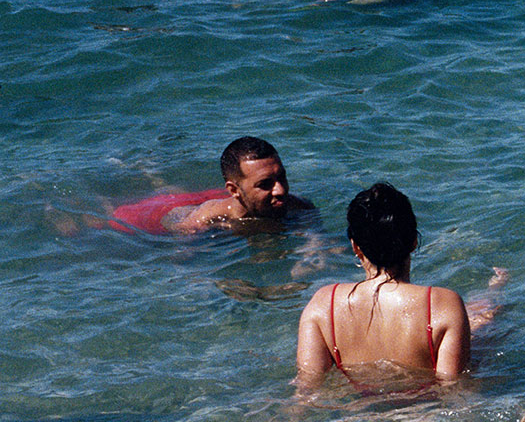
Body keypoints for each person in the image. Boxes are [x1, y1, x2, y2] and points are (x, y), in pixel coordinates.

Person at [295, 182, 489, 389]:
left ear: (355, 246)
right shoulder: (444, 304)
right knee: (486, 322)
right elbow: (452, 389)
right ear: (414, 240)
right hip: (423, 415)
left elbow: (308, 387)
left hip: (360, 414)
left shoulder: (323, 304)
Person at [109, 134, 316, 236]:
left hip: (218, 199)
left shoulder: (299, 206)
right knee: (112, 216)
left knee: (174, 191)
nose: (281, 190)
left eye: (282, 177)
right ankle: (141, 169)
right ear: (234, 190)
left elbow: (320, 243)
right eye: (266, 184)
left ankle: (150, 170)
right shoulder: (205, 221)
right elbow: (182, 262)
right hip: (161, 213)